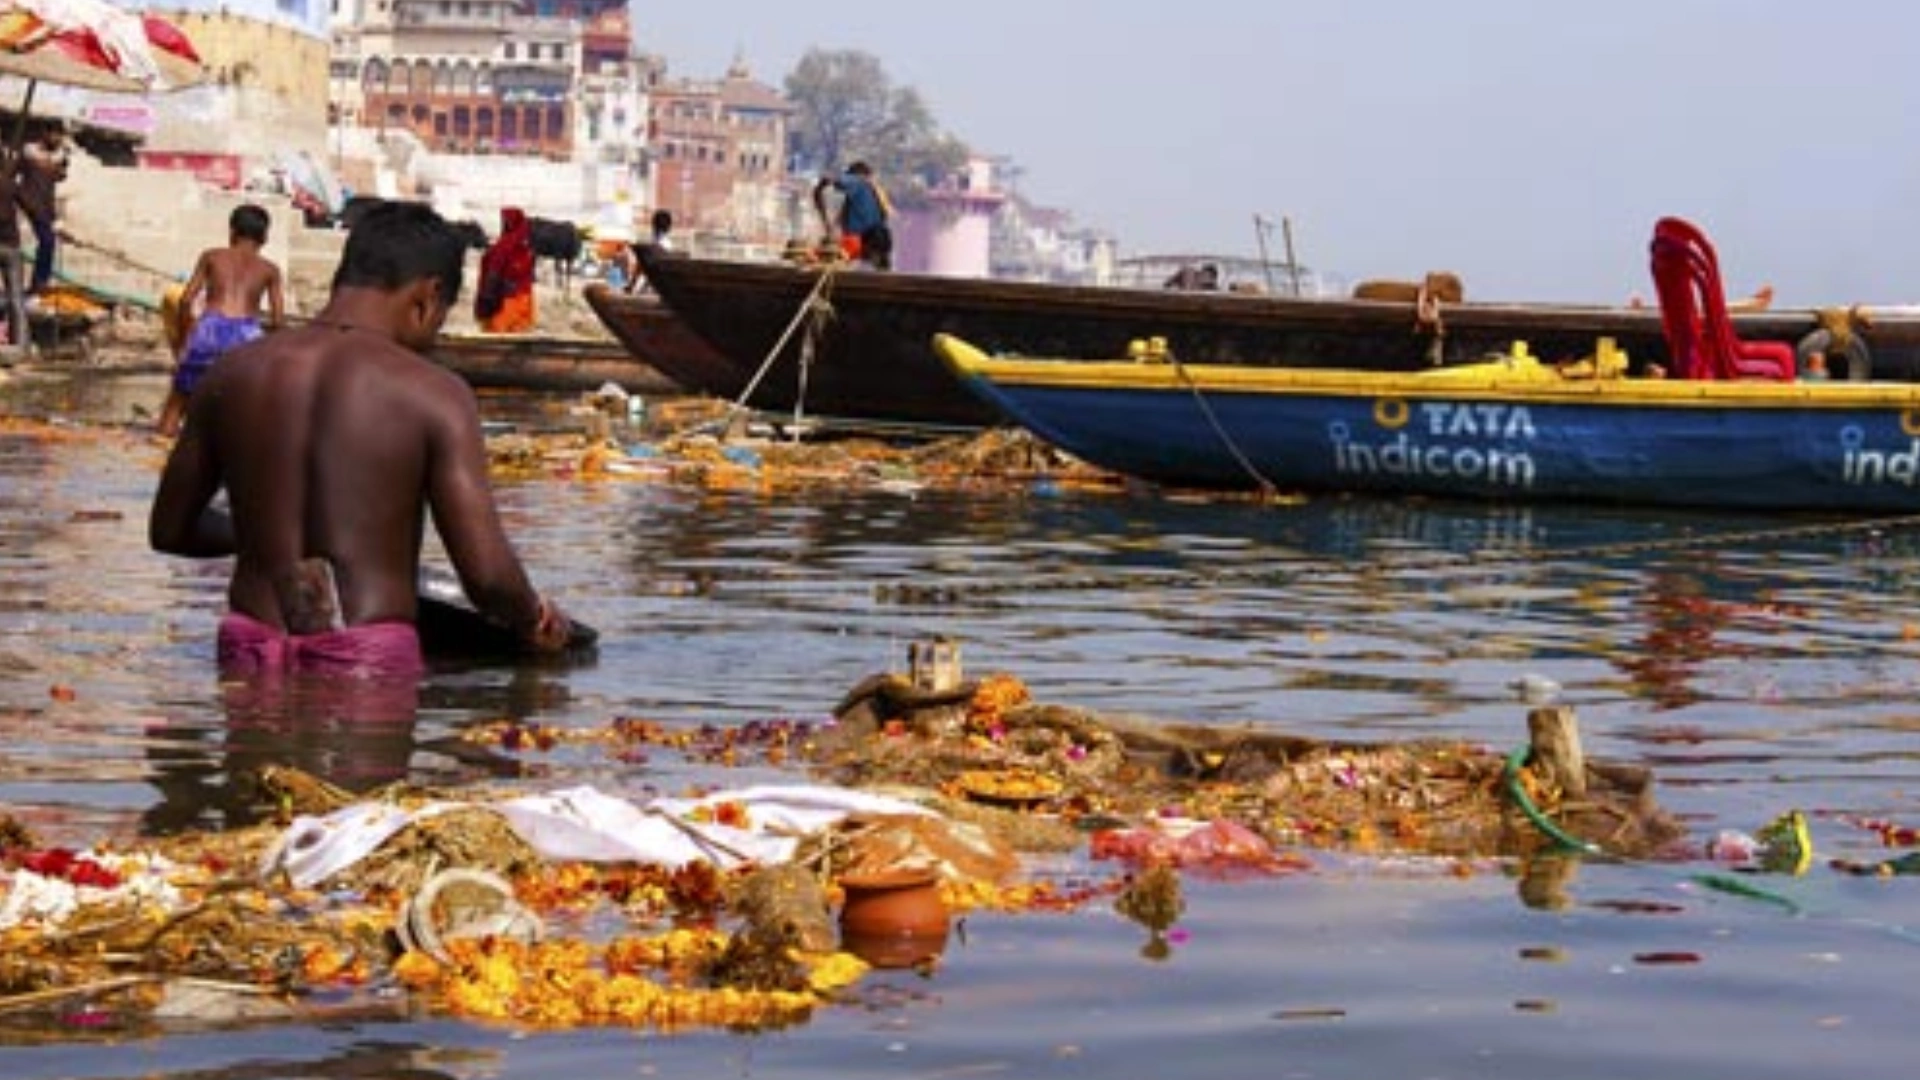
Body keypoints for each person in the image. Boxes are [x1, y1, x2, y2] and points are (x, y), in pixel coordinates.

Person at [148, 200, 574, 680]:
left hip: (250, 649)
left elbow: (170, 530)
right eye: (438, 322)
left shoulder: (233, 373)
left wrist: (263, 532)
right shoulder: (434, 394)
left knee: (253, 754)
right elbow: (488, 576)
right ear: (426, 299)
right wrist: (535, 618)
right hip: (363, 662)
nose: (431, 337)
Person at [156, 203, 286, 437]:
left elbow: (186, 301)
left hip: (209, 329)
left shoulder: (212, 256)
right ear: (264, 237)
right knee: (242, 409)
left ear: (232, 232)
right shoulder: (270, 270)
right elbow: (278, 321)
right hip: (247, 335)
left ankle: (160, 452)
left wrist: (185, 339)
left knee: (177, 403)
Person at [813, 161, 893, 270]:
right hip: (880, 241)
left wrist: (823, 183)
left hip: (864, 240)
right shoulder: (874, 191)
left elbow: (834, 179)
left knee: (821, 257)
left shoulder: (859, 181)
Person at [18, 122, 68, 295]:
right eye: (55, 134)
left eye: (60, 135)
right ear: (45, 133)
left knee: (49, 242)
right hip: (29, 202)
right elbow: (15, 171)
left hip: (47, 206)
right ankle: (39, 282)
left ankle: (39, 282)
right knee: (47, 240)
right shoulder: (29, 151)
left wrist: (57, 164)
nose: (57, 139)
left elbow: (60, 176)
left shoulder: (59, 156)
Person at [475, 205, 535, 333]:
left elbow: (493, 272)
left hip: (505, 302)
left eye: (504, 221)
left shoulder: (504, 247)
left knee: (498, 336)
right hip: (523, 299)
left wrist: (487, 296)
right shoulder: (525, 247)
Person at [618, 208, 674, 294]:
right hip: (659, 285)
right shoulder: (667, 244)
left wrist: (631, 285)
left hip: (653, 285)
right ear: (669, 227)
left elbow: (641, 267)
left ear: (653, 225)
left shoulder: (656, 244)